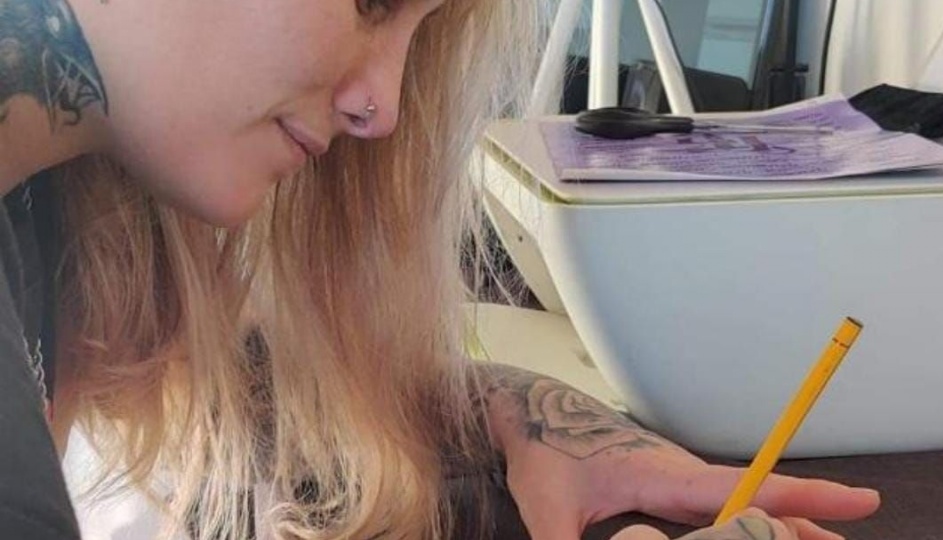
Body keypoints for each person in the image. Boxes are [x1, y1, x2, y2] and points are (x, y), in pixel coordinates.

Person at [0, 0, 880, 538]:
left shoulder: (43, 205)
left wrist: (531, 414)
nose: (382, 108)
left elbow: (226, 371)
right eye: (372, 2)